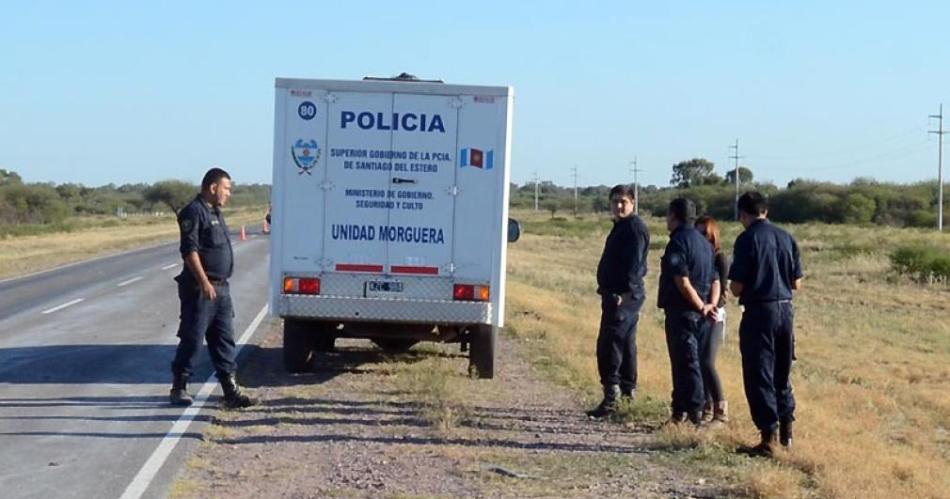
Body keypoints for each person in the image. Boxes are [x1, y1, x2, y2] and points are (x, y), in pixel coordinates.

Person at [169, 167, 258, 409]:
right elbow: (190, 251)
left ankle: (231, 391)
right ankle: (180, 386)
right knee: (193, 338)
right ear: (213, 187)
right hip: (201, 290)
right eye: (226, 188)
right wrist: (204, 282)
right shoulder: (194, 212)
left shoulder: (215, 212)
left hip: (221, 289)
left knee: (224, 340)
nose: (229, 193)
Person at [729, 191, 803, 456]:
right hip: (786, 310)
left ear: (743, 214)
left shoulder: (747, 239)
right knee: (782, 374)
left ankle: (768, 438)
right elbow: (797, 283)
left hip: (760, 312)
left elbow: (736, 288)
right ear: (766, 211)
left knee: (759, 373)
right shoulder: (786, 237)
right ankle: (787, 434)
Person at [587, 184, 650, 419]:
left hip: (623, 298)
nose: (619, 206)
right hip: (618, 296)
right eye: (615, 201)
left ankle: (614, 396)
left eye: (624, 201)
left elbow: (634, 267)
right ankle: (625, 394)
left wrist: (623, 295)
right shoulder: (622, 227)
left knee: (610, 344)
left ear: (633, 203)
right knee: (624, 344)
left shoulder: (634, 229)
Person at [657, 198, 719, 425]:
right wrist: (709, 305)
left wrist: (700, 306)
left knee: (686, 363)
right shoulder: (704, 244)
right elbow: (715, 279)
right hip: (702, 315)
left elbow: (682, 282)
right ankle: (679, 411)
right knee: (689, 362)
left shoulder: (678, 243)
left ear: (674, 216)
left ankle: (695, 413)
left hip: (683, 312)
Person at [695, 216, 729, 423]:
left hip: (714, 314)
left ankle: (721, 409)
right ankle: (705, 406)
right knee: (699, 362)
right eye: (697, 233)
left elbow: (722, 289)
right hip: (698, 312)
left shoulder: (719, 258)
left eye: (704, 234)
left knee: (707, 361)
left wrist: (712, 305)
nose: (701, 238)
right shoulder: (698, 257)